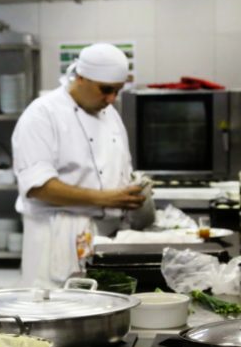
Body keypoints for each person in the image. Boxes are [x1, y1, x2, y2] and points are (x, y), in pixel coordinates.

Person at [12, 43, 149, 288]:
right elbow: (38, 187)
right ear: (81, 77)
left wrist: (134, 192)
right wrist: (107, 198)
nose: (111, 99)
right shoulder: (42, 114)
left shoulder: (111, 115)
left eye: (117, 91)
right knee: (53, 316)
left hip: (103, 241)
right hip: (54, 241)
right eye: (106, 90)